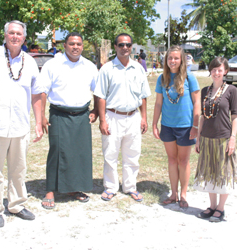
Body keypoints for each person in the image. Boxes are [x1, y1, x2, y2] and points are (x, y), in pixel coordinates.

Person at [0, 20, 43, 228]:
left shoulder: (30, 61)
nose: (15, 36)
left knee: (18, 169)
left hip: (20, 125)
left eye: (18, 34)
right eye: (11, 32)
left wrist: (38, 121)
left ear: (24, 37)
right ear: (5, 35)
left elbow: (36, 93)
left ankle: (17, 204)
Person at [40, 32, 98, 209]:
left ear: (82, 46)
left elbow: (98, 90)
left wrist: (95, 109)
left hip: (81, 115)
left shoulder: (89, 66)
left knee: (80, 153)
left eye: (79, 44)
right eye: (72, 44)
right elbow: (43, 91)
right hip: (59, 114)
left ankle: (75, 188)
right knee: (56, 151)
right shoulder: (52, 65)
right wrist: (41, 116)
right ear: (64, 45)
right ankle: (50, 190)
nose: (75, 47)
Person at [94, 33, 151, 202]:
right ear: (115, 47)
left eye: (128, 45)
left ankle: (130, 187)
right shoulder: (107, 69)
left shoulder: (138, 68)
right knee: (110, 154)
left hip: (133, 117)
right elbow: (101, 96)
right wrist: (103, 120)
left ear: (131, 47)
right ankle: (110, 187)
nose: (125, 47)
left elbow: (143, 96)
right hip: (113, 116)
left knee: (132, 154)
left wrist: (144, 118)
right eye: (121, 45)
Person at [152, 45, 200, 208]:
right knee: (172, 160)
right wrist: (154, 124)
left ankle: (183, 194)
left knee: (183, 161)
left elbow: (197, 102)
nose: (173, 61)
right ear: (166, 60)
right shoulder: (162, 78)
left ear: (181, 60)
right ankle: (173, 193)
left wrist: (195, 125)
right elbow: (158, 103)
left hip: (186, 126)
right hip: (167, 126)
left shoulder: (189, 78)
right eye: (170, 58)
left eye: (176, 58)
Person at [194, 57, 237, 222]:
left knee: (223, 173)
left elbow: (235, 116)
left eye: (220, 70)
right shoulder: (205, 91)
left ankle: (221, 208)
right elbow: (203, 117)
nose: (216, 73)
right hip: (207, 138)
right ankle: (212, 206)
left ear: (225, 71)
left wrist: (233, 138)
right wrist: (198, 139)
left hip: (223, 138)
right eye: (214, 69)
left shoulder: (231, 90)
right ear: (210, 71)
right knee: (210, 173)